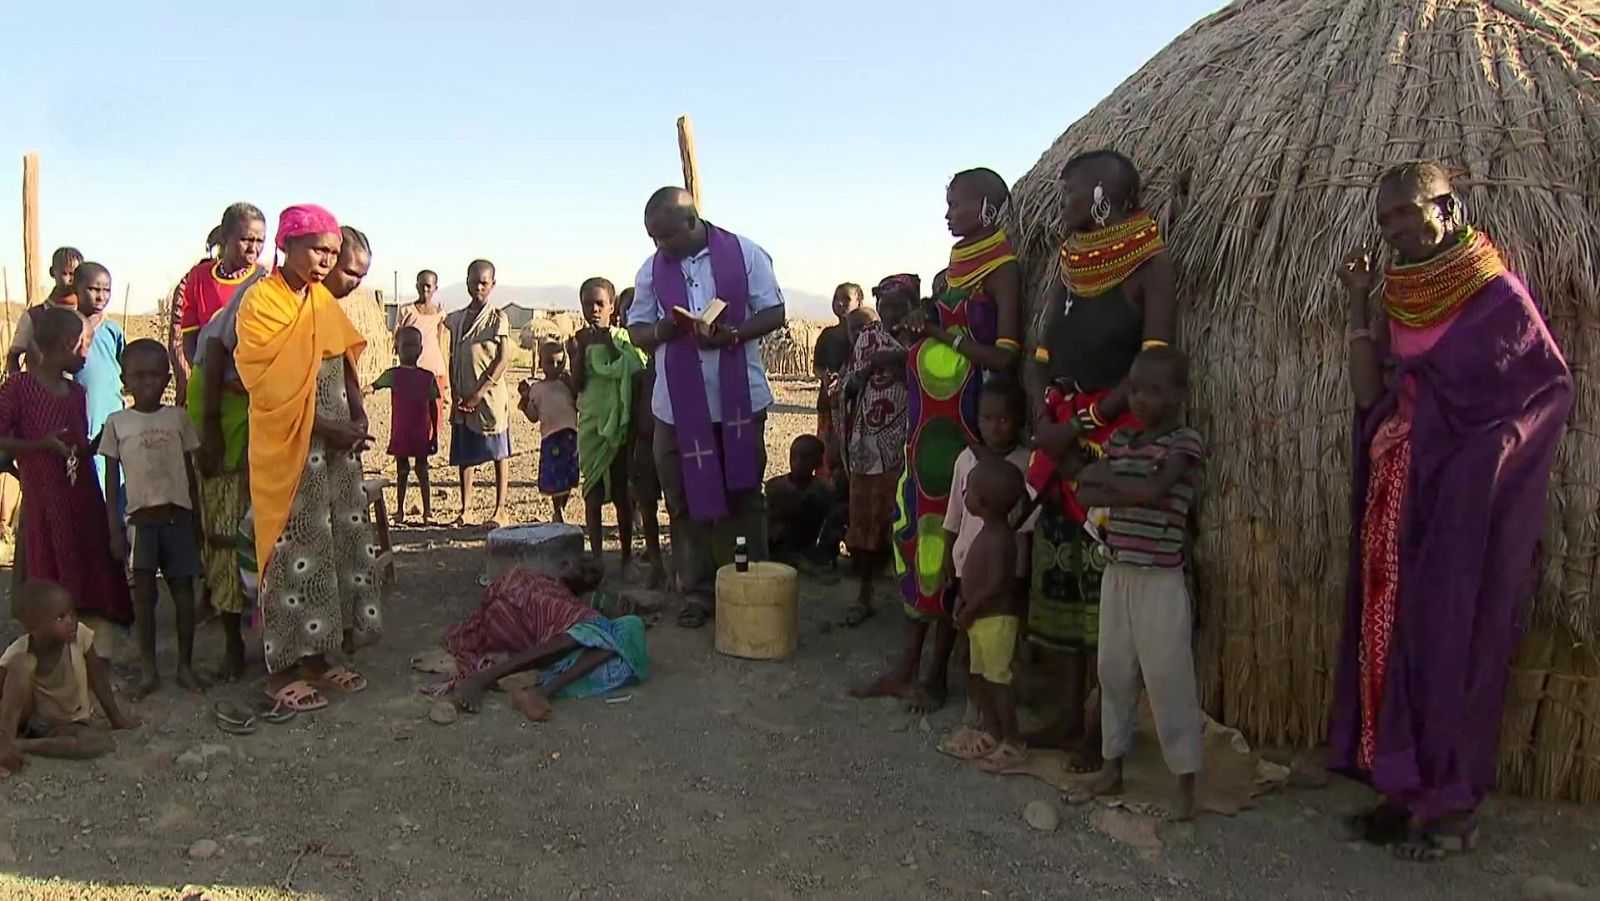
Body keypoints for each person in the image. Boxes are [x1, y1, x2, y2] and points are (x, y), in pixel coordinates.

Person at [1329, 162, 1572, 859]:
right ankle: (1398, 787)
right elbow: (1371, 388)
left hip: (1455, 499)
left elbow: (1544, 389)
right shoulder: (1402, 294)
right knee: (1387, 642)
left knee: (1447, 639)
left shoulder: (1495, 296)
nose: (1395, 227)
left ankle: (1451, 809)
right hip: (1396, 492)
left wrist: (1468, 458)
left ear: (1448, 206)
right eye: (1385, 219)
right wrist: (1358, 304)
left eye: (1407, 212)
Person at [1026, 150, 1177, 770]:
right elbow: (1038, 352)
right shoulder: (1067, 268)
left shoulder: (1150, 268)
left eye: (1069, 196)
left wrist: (1083, 423)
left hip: (1113, 450)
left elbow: (1155, 366)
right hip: (1060, 441)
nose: (1060, 207)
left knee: (1104, 599)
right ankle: (1064, 712)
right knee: (1057, 579)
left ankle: (1101, 726)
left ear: (1101, 199)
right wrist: (1043, 421)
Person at [855, 168, 1022, 708]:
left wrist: (939, 335)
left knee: (954, 546)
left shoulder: (1001, 271)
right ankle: (909, 667)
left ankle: (934, 675)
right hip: (926, 429)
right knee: (922, 540)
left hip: (965, 427)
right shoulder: (950, 274)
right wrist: (909, 345)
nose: (947, 214)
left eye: (958, 204)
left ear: (989, 208)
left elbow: (1004, 354)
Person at [235, 205, 380, 712]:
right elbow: (269, 389)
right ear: (288, 244)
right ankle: (282, 672)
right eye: (318, 249)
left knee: (332, 544)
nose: (326, 261)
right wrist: (328, 427)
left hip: (335, 449)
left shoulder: (320, 302)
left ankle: (318, 657)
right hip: (289, 448)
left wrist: (357, 416)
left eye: (333, 253)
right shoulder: (261, 304)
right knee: (291, 550)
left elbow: (344, 362)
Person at [625, 187, 788, 629]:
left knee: (743, 498)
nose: (659, 247)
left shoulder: (744, 253)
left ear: (690, 222)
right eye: (652, 238)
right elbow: (636, 329)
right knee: (683, 502)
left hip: (738, 402)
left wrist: (734, 333)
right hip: (676, 411)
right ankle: (696, 592)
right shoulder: (651, 270)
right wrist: (663, 329)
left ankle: (746, 586)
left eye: (665, 237)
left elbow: (774, 312)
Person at [1074, 347, 1206, 822]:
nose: (1142, 399)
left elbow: (1152, 490)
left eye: (1154, 390)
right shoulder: (1123, 437)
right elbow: (1085, 491)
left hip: (1160, 579)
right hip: (1119, 571)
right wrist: (1121, 488)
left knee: (1169, 679)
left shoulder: (1183, 443)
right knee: (1113, 671)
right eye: (1135, 388)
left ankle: (1185, 782)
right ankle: (1113, 766)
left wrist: (1113, 487)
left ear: (1179, 395)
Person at [0, 306, 132, 627]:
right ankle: (53, 616)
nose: (88, 353)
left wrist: (100, 441)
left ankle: (85, 609)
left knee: (86, 548)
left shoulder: (77, 392)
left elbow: (79, 449)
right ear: (65, 344)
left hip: (80, 490)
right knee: (51, 554)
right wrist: (40, 446)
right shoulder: (19, 388)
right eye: (86, 344)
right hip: (45, 493)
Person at [100, 340, 205, 699]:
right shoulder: (117, 423)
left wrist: (198, 518)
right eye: (137, 376)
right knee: (143, 599)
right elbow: (112, 482)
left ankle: (186, 666)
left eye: (155, 375)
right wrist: (114, 529)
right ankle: (148, 670)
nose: (146, 383)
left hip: (178, 519)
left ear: (167, 378)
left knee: (184, 595)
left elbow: (191, 475)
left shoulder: (177, 418)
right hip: (140, 524)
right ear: (124, 380)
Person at [0, 581, 139, 778]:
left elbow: (98, 679)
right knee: (22, 664)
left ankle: (21, 746)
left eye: (72, 613)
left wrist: (116, 717)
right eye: (60, 617)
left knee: (97, 742)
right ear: (34, 625)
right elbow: (6, 695)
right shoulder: (18, 651)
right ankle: (6, 744)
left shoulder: (81, 637)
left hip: (66, 725)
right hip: (29, 721)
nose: (71, 620)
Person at [836, 278, 914, 626]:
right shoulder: (870, 337)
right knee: (866, 516)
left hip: (908, 443)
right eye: (886, 305)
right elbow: (849, 385)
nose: (891, 312)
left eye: (900, 305)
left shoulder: (923, 338)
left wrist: (900, 359)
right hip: (868, 444)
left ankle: (913, 598)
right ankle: (864, 594)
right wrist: (869, 367)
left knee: (905, 518)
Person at [947, 458, 1029, 772]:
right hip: (980, 618)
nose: (963, 493)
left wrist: (971, 607)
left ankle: (1013, 741)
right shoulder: (988, 531)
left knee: (998, 682)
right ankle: (992, 732)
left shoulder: (1001, 540)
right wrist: (964, 602)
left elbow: (997, 584)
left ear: (982, 502)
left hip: (994, 621)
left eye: (968, 489)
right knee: (980, 676)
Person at [570, 277, 647, 569]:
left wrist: (607, 343)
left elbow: (634, 366)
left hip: (618, 427)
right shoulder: (577, 340)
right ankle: (599, 557)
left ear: (612, 307)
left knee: (621, 494)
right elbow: (577, 384)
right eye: (588, 304)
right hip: (591, 425)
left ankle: (626, 556)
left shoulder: (623, 339)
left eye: (600, 303)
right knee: (592, 493)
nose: (594, 309)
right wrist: (578, 352)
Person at [170, 204, 268, 402]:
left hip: (250, 388)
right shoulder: (198, 277)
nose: (254, 248)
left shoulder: (265, 280)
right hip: (208, 383)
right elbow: (190, 335)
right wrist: (205, 375)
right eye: (246, 240)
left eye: (260, 241)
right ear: (224, 237)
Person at [447, 260, 512, 528]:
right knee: (466, 453)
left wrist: (481, 391)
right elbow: (453, 354)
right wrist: (457, 392)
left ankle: (500, 509)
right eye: (474, 281)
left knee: (498, 451)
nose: (479, 287)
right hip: (463, 393)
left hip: (490, 396)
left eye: (484, 282)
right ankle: (467, 508)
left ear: (493, 285)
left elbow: (503, 359)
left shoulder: (498, 318)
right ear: (467, 282)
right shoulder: (458, 318)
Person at [66, 263, 127, 500]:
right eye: (94, 289)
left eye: (106, 290)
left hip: (109, 426)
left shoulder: (112, 331)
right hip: (77, 428)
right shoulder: (66, 327)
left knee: (113, 491)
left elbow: (123, 370)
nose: (101, 296)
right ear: (76, 288)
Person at [373, 327, 440, 526]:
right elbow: (374, 386)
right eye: (405, 345)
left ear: (421, 349)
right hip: (402, 432)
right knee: (401, 470)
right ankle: (400, 510)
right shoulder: (392, 375)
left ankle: (427, 511)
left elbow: (433, 406)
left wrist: (435, 433)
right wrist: (362, 391)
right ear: (396, 349)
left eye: (413, 345)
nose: (410, 350)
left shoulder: (428, 378)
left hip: (420, 433)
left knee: (422, 469)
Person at [622, 287, 666, 588]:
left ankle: (678, 564)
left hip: (672, 444)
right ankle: (656, 562)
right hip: (645, 446)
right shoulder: (640, 375)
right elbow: (632, 417)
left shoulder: (675, 370)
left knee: (678, 507)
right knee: (647, 506)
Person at [521, 341, 579, 524]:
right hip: (551, 438)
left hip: (570, 436)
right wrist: (524, 401)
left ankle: (562, 508)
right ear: (540, 364)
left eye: (559, 363)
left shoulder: (567, 383)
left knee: (569, 476)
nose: (555, 367)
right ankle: (558, 509)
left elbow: (578, 401)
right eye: (549, 362)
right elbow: (533, 416)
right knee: (555, 477)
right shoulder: (536, 389)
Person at [813, 283, 864, 476]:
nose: (840, 303)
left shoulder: (866, 336)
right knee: (828, 453)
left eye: (846, 299)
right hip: (828, 404)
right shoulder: (828, 335)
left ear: (859, 302)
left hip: (856, 406)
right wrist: (825, 377)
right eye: (836, 299)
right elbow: (817, 366)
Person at [6, 246, 82, 374]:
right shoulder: (35, 316)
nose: (70, 280)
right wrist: (19, 385)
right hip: (41, 391)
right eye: (65, 273)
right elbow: (14, 357)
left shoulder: (86, 316)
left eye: (74, 275)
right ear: (53, 272)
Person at [395, 269, 450, 447]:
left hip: (434, 370)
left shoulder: (440, 314)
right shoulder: (406, 311)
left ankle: (427, 447)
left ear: (435, 288)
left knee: (433, 412)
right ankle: (405, 448)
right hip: (411, 372)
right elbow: (397, 339)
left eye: (429, 286)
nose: (425, 289)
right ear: (416, 286)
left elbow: (439, 340)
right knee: (408, 414)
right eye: (421, 285)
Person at [765, 435, 834, 565]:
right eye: (793, 457)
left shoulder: (823, 490)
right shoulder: (775, 486)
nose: (797, 462)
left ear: (818, 462)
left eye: (804, 458)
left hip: (806, 547)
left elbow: (830, 526)